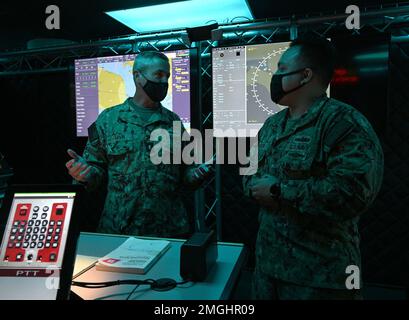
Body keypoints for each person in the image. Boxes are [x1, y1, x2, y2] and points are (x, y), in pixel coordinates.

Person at [243, 35, 384, 300]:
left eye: (282, 70)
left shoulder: (344, 124)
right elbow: (248, 170)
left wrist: (278, 190)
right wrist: (253, 187)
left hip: (319, 279)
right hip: (267, 270)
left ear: (305, 75)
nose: (275, 77)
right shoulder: (272, 126)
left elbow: (354, 193)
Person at [66, 51, 212, 238]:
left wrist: (199, 173)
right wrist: (84, 173)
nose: (163, 82)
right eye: (158, 75)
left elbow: (186, 175)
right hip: (119, 228)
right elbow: (95, 170)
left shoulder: (174, 122)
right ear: (137, 76)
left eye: (167, 76)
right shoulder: (108, 119)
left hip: (168, 229)